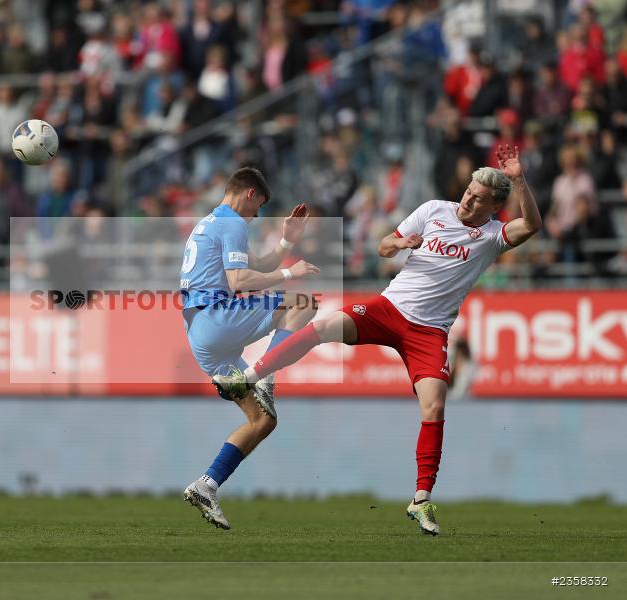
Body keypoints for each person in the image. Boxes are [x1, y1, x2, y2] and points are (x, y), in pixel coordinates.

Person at [214, 147, 542, 535]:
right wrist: (400, 245)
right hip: (390, 309)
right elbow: (384, 244)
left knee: (434, 406)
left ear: (494, 206)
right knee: (323, 327)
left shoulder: (491, 236)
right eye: (469, 190)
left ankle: (421, 500)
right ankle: (248, 376)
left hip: (429, 331)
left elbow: (532, 226)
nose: (468, 199)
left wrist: (519, 179)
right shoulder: (434, 209)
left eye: (478, 197)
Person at [180, 167, 320, 530]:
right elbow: (240, 280)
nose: (256, 216)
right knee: (303, 302)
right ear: (249, 195)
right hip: (216, 316)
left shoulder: (210, 223)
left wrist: (287, 244)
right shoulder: (234, 223)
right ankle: (266, 378)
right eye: (258, 206)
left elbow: (256, 266)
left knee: (263, 419)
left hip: (200, 333)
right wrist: (292, 274)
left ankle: (207, 485)